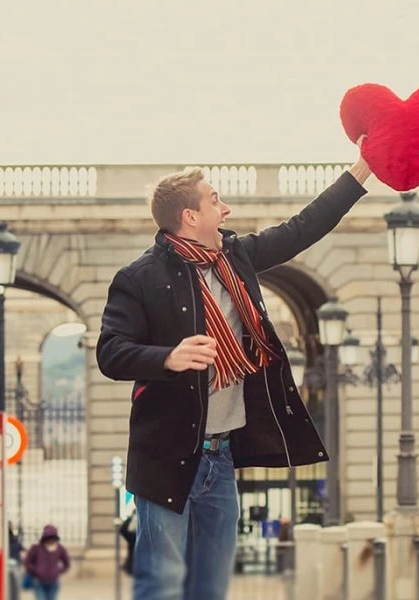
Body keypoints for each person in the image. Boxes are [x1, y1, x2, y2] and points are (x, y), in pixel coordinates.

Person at [96, 139, 372, 599]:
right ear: (190, 217)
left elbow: (303, 228)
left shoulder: (236, 257)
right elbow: (111, 351)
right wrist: (166, 356)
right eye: (215, 200)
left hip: (220, 459)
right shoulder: (138, 277)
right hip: (165, 455)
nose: (226, 208)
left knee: (211, 589)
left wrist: (361, 171)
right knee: (161, 586)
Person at [23, 525, 70, 600]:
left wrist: (57, 571)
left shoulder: (60, 548)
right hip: (39, 582)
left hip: (54, 582)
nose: (51, 540)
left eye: (53, 538)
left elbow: (67, 564)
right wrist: (36, 571)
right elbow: (27, 563)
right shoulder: (36, 548)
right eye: (49, 538)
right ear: (45, 538)